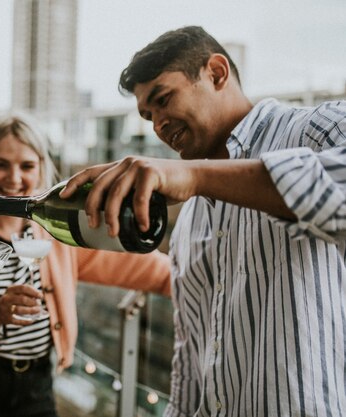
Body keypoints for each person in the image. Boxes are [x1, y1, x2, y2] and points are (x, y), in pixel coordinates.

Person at [60, 26, 346, 416]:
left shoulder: (316, 128)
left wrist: (194, 176)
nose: (158, 124)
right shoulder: (191, 215)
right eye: (148, 115)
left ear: (216, 73)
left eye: (164, 99)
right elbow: (192, 358)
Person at [0, 112, 171, 417]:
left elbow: (131, 266)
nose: (14, 178)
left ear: (41, 169)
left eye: (26, 166)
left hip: (37, 383)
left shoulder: (50, 230)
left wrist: (190, 277)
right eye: (0, 164)